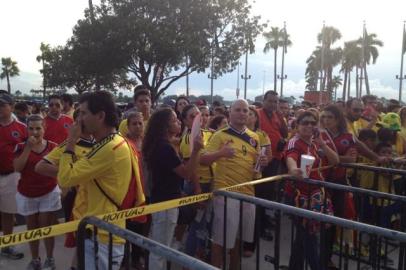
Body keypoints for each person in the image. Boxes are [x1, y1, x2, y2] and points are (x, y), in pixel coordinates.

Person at [58, 91, 145, 270]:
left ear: (100, 116)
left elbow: (65, 178)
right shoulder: (117, 142)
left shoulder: (109, 148)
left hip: (103, 237)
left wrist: (71, 142)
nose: (78, 119)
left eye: (83, 113)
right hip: (104, 232)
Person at [201, 99, 268, 269]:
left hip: (248, 194)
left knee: (239, 239)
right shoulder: (220, 135)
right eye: (238, 110)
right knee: (220, 241)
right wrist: (221, 153)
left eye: (245, 111)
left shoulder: (254, 137)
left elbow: (256, 169)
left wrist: (261, 165)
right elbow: (203, 160)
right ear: (230, 112)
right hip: (226, 194)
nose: (242, 113)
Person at [142, 108, 202, 270]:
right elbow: (187, 173)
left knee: (161, 245)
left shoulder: (161, 145)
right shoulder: (164, 148)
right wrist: (196, 150)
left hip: (163, 199)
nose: (179, 122)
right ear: (165, 125)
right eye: (175, 120)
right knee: (161, 248)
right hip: (165, 203)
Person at [35, 109, 95, 270]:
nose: (85, 120)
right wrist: (74, 173)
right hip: (76, 199)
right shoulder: (68, 145)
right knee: (83, 239)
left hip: (98, 199)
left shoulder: (100, 142)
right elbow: (40, 167)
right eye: (80, 118)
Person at [285, 111, 339, 270]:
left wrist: (322, 143)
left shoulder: (315, 143)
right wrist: (293, 170)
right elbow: (291, 157)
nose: (309, 126)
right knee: (309, 237)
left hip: (316, 194)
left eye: (312, 123)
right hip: (299, 196)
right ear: (297, 126)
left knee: (304, 237)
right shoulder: (295, 142)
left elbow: (335, 161)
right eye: (305, 123)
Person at [13, 114, 60, 270]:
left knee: (46, 226)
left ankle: (51, 258)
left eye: (38, 128)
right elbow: (17, 168)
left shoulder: (53, 147)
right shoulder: (20, 146)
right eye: (31, 128)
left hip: (48, 191)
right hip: (27, 192)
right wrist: (27, 147)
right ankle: (35, 260)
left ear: (44, 128)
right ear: (26, 130)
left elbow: (59, 170)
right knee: (31, 228)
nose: (35, 132)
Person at [256, 90, 288, 237]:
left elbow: (285, 133)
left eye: (276, 101)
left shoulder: (277, 115)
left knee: (269, 193)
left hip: (276, 158)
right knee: (260, 193)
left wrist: (281, 116)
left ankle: (265, 221)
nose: (273, 104)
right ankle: (260, 226)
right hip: (261, 159)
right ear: (264, 101)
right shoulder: (256, 114)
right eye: (270, 101)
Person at [0, 92, 26, 260]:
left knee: (8, 213)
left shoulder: (22, 128)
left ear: (11, 106)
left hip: (11, 176)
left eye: (2, 105)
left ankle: (7, 246)